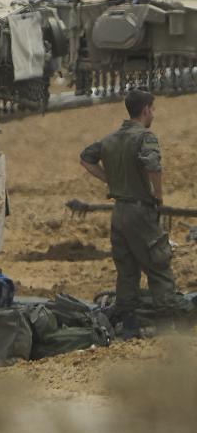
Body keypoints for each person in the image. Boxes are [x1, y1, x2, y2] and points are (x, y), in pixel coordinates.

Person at [79, 88, 176, 332]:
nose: (153, 114)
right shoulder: (145, 137)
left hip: (119, 211)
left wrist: (110, 180)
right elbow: (153, 164)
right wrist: (158, 195)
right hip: (140, 211)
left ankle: (128, 325)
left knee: (127, 270)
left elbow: (86, 158)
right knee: (159, 266)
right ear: (145, 110)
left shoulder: (110, 139)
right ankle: (168, 327)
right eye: (152, 109)